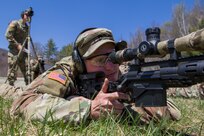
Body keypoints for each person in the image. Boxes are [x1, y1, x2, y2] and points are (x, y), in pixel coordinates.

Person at [10, 28, 181, 124]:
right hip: (18, 91)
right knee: (10, 91)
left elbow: (171, 111)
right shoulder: (66, 70)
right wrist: (88, 108)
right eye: (100, 60)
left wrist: (123, 109)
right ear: (79, 62)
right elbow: (22, 105)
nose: (111, 66)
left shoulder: (124, 73)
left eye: (114, 57)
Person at [5, 7, 33, 86]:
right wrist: (17, 45)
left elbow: (26, 41)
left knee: (28, 73)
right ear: (23, 15)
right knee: (12, 73)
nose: (28, 17)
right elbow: (8, 35)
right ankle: (9, 91)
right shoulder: (15, 23)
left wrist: (28, 52)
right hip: (14, 52)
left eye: (29, 16)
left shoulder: (27, 28)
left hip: (23, 54)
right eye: (27, 15)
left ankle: (29, 89)